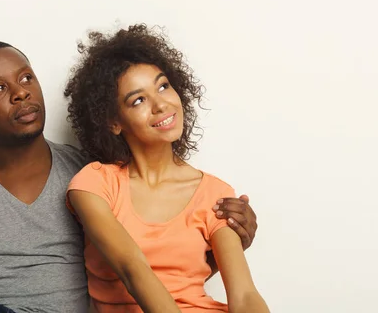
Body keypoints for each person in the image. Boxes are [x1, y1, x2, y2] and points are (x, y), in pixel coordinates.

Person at [0, 41, 259, 313]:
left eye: (26, 78)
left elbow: (151, 258)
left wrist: (229, 238)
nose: (20, 94)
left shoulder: (91, 174)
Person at [65, 25, 269, 312]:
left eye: (163, 86)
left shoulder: (215, 193)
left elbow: (245, 295)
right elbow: (132, 268)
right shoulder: (94, 184)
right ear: (113, 122)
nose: (161, 105)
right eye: (138, 100)